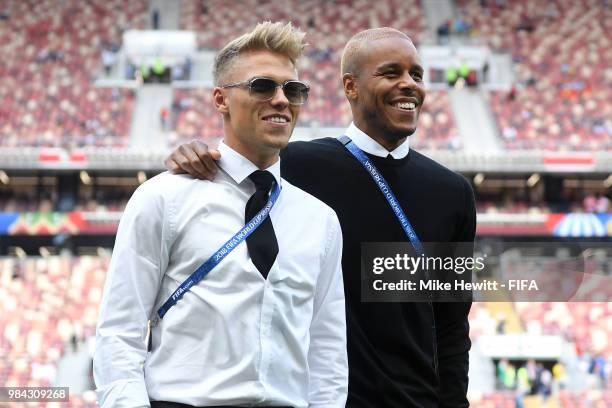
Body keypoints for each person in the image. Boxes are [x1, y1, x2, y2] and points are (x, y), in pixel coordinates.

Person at [166, 27, 476, 407]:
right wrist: (196, 154)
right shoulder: (295, 165)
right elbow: (235, 166)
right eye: (391, 73)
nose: (408, 84)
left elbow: (451, 326)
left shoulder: (453, 192)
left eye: (416, 74)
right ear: (350, 87)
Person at [94, 22, 347, 408]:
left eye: (293, 90)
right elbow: (119, 332)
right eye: (262, 86)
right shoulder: (163, 199)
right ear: (220, 99)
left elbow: (327, 349)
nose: (282, 99)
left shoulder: (321, 220)